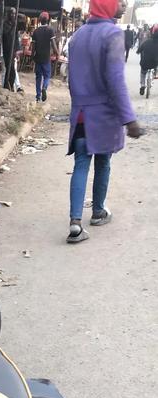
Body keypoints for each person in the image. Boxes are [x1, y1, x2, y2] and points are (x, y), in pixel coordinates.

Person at [66, 0, 142, 244]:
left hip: (80, 113)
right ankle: (98, 211)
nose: (122, 7)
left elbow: (70, 77)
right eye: (119, 4)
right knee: (103, 163)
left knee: (80, 165)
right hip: (103, 115)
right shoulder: (112, 34)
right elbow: (116, 80)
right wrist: (129, 118)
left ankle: (75, 222)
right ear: (107, 6)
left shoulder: (77, 36)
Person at [32, 11, 58, 102]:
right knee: (47, 76)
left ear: (39, 20)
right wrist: (57, 54)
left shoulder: (35, 31)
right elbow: (54, 45)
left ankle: (38, 96)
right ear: (48, 20)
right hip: (46, 58)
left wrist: (32, 57)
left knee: (38, 77)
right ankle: (44, 87)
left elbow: (33, 47)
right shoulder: (50, 30)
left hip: (38, 58)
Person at [2, 7, 23, 92]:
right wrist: (13, 27)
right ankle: (7, 86)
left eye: (14, 13)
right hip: (7, 49)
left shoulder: (14, 24)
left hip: (13, 49)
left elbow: (16, 38)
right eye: (11, 13)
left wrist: (17, 50)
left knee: (11, 70)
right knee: (10, 69)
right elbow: (6, 35)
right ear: (8, 14)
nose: (13, 15)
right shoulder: (5, 24)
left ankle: (8, 86)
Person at [138, 25, 158, 95]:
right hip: (155, 63)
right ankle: (155, 74)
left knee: (143, 73)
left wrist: (138, 52)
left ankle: (143, 85)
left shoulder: (147, 42)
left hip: (145, 63)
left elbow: (139, 50)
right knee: (156, 66)